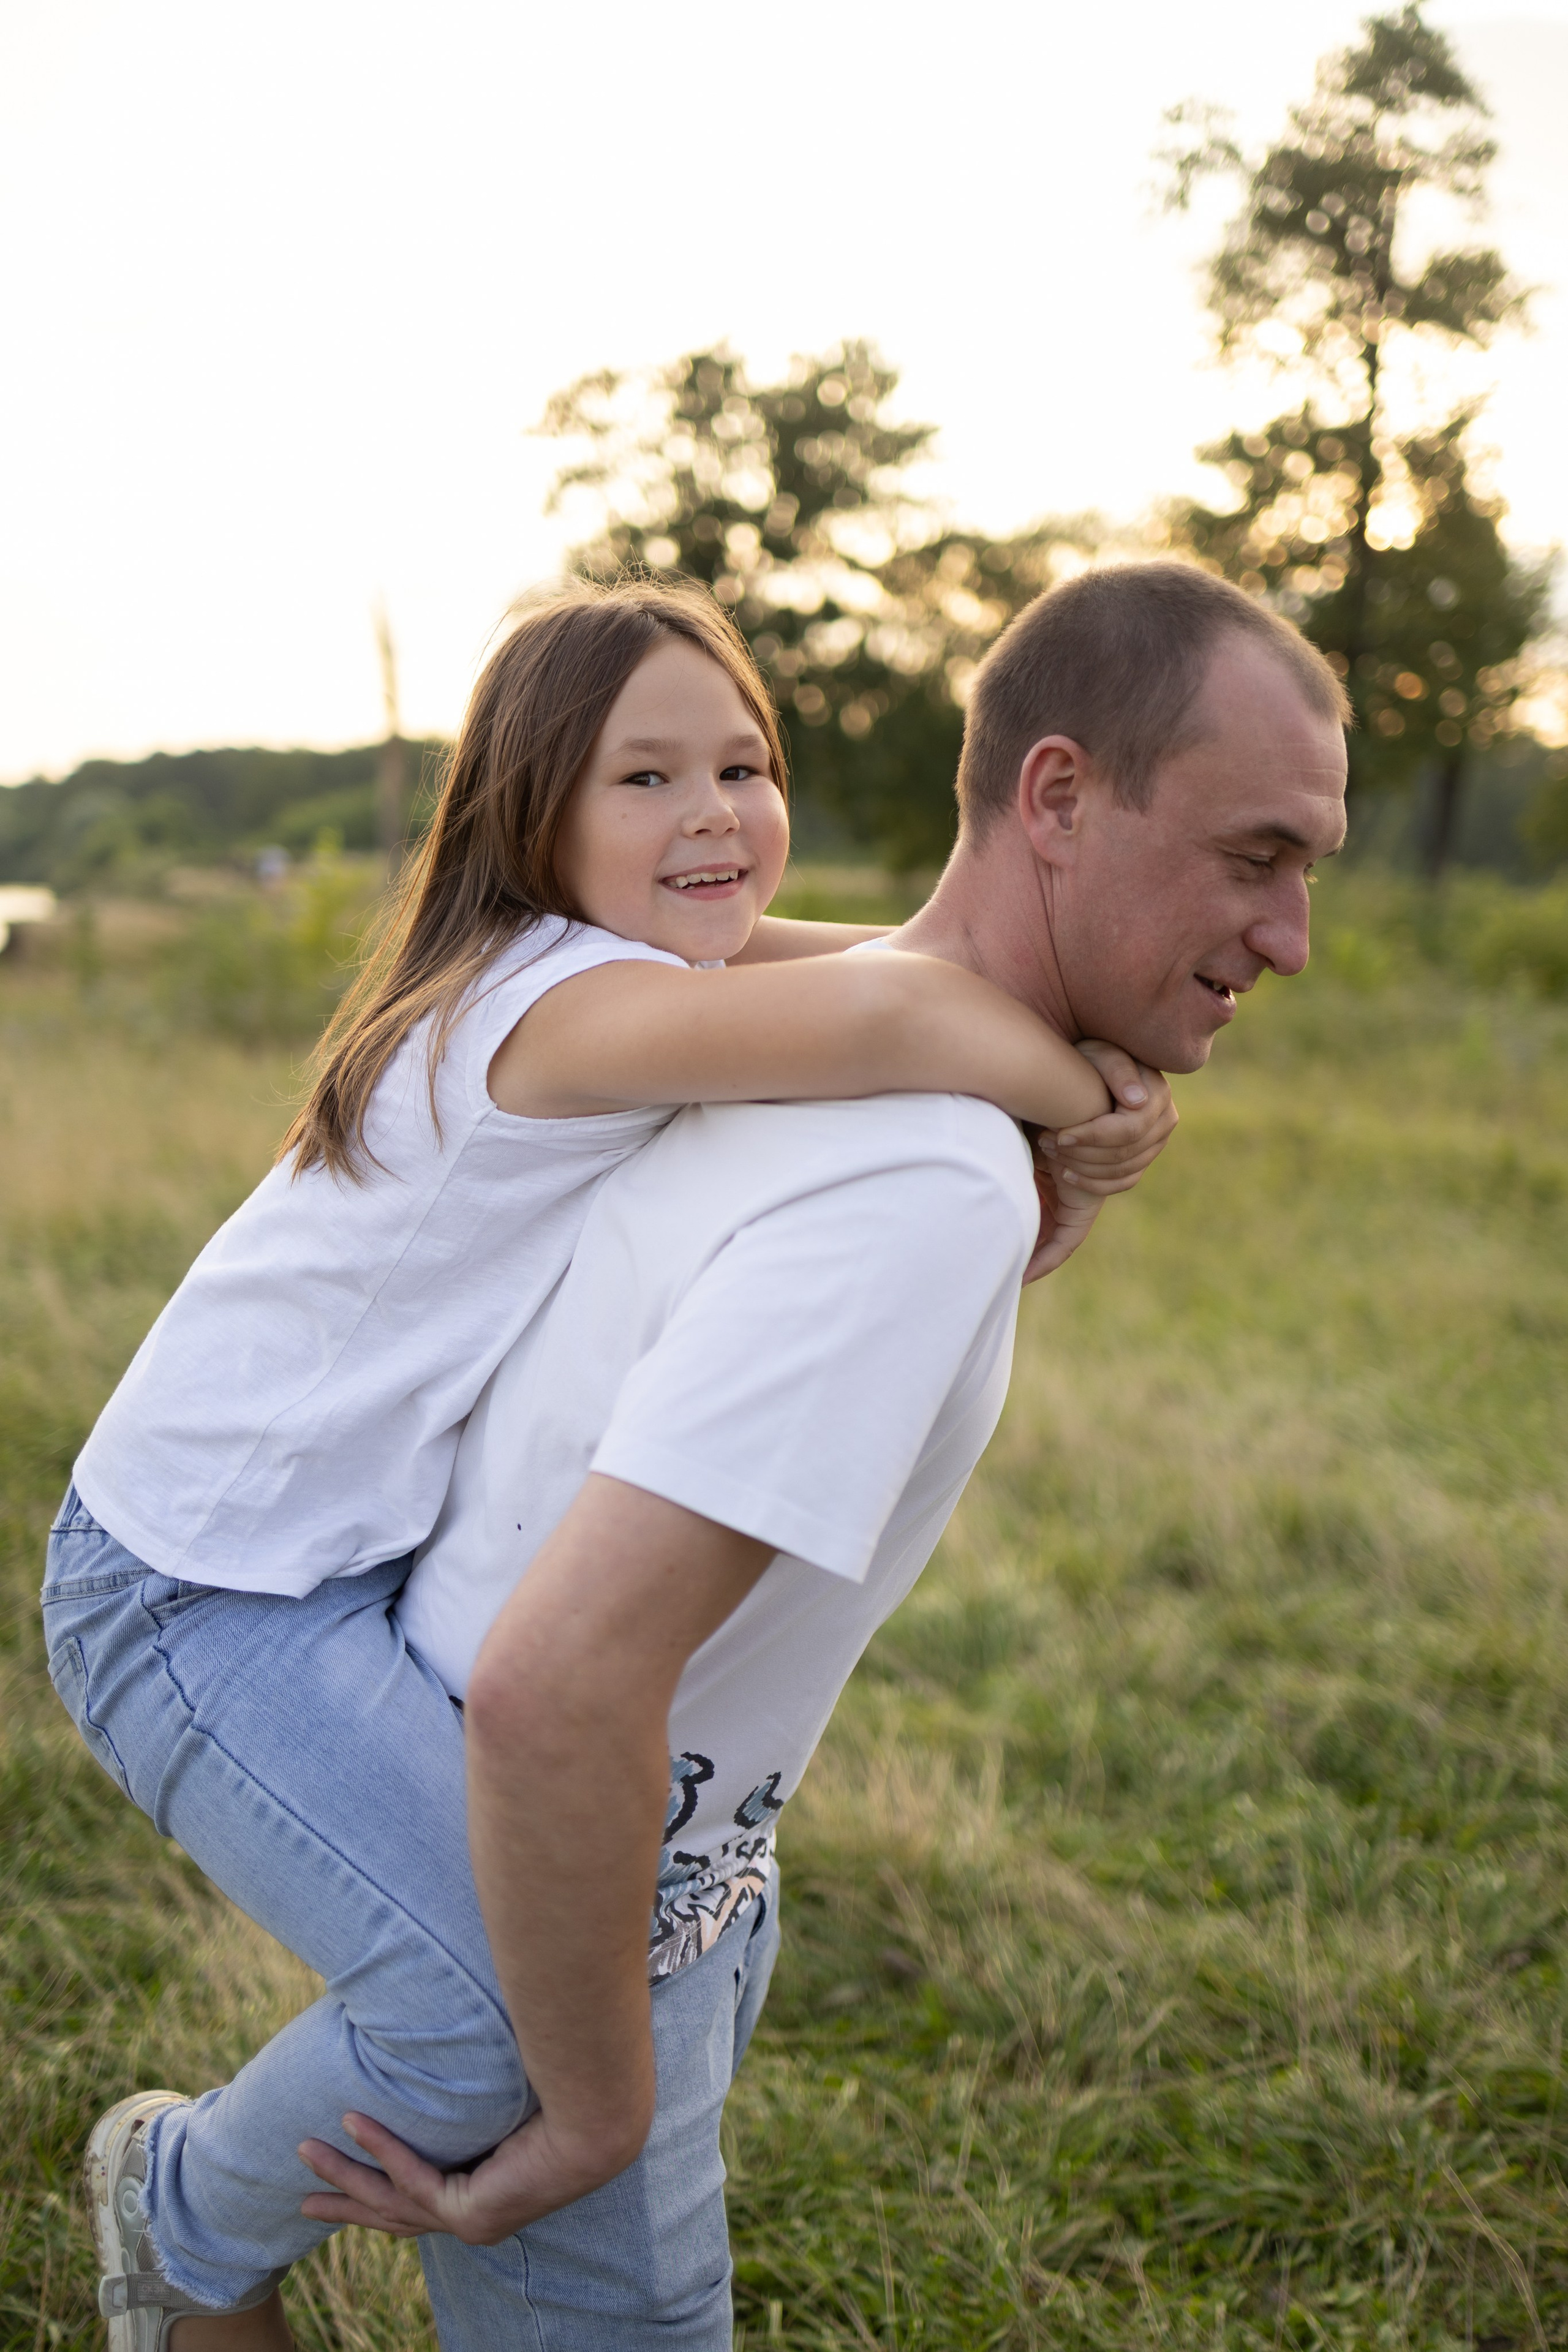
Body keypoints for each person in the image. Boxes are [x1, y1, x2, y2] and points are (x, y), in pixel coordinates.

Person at [43, 578, 1171, 2350]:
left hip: (318, 1558)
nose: (715, 813)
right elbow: (895, 1024)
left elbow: (889, 965)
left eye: (744, 762)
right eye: (645, 781)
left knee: (532, 1980)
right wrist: (1085, 1102)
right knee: (494, 2010)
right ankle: (183, 2211)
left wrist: (1055, 1062)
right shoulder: (549, 1013)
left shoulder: (614, 959)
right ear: (533, 816)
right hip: (193, 1585)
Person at [289, 561, 1351, 2346]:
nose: (1294, 935)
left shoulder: (770, 1030)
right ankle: (178, 2229)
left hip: (641, 1853)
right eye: (1257, 857)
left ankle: (175, 2213)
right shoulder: (918, 1165)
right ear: (1060, 797)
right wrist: (602, 2094)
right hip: (573, 1882)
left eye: (1307, 868)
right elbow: (562, 1689)